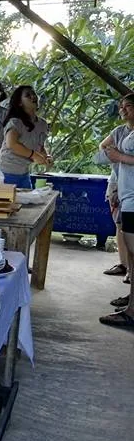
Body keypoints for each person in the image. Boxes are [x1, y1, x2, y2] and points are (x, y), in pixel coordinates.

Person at [95, 92, 134, 328]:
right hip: (128, 196)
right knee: (131, 252)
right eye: (122, 106)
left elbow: (119, 156)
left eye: (129, 106)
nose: (123, 110)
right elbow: (102, 152)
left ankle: (132, 312)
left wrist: (119, 156)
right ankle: (132, 301)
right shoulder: (123, 132)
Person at [0, 85, 52, 189]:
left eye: (34, 94)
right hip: (6, 173)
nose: (33, 96)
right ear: (20, 103)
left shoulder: (42, 124)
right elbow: (12, 144)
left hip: (24, 173)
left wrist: (45, 157)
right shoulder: (15, 122)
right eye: (28, 95)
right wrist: (34, 155)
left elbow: (40, 147)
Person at [104, 166, 130, 280]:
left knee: (129, 229)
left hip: (127, 185)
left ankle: (130, 268)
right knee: (120, 227)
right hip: (117, 182)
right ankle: (124, 265)